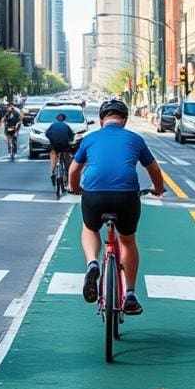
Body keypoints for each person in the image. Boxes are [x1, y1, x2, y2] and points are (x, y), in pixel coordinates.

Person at [67, 99, 165, 316]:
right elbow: (154, 169)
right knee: (128, 240)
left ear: (102, 120)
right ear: (124, 120)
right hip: (126, 196)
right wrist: (159, 189)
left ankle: (92, 263)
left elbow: (74, 171)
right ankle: (130, 293)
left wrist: (74, 189)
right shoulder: (135, 139)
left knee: (90, 228)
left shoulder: (90, 138)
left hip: (94, 195)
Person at [45, 112, 74, 182]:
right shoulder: (66, 126)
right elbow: (71, 136)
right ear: (64, 119)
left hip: (54, 144)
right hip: (64, 144)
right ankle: (67, 170)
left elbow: (47, 133)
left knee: (53, 153)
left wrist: (51, 139)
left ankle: (53, 170)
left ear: (56, 119)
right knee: (66, 154)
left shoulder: (52, 125)